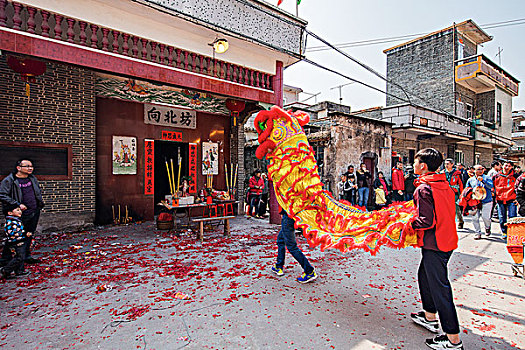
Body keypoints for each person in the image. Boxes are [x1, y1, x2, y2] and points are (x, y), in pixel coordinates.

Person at [409, 148, 463, 350]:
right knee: (424, 276)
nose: (413, 166)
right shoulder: (443, 185)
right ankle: (430, 316)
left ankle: (453, 340)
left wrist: (406, 224)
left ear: (422, 166)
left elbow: (425, 221)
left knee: (440, 289)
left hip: (435, 243)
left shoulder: (423, 189)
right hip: (446, 241)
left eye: (415, 162)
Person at [0, 159, 44, 265]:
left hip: (33, 211)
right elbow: (2, 194)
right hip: (18, 214)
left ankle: (25, 256)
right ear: (18, 168)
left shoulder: (32, 179)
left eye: (31, 166)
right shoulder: (10, 180)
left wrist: (39, 203)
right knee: (15, 237)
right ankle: (6, 258)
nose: (30, 168)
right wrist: (17, 204)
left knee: (28, 234)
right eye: (27, 166)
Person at [271, 210, 317, 283]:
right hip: (294, 214)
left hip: (289, 215)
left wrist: (282, 212)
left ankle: (309, 271)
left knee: (292, 247)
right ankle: (278, 266)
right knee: (280, 240)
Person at [1, 204, 31, 279]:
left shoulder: (16, 220)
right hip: (16, 242)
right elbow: (13, 233)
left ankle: (19, 271)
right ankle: (6, 270)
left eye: (20, 210)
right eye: (17, 210)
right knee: (19, 257)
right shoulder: (11, 223)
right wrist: (25, 234)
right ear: (10, 213)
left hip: (19, 241)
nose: (20, 211)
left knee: (21, 256)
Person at [466, 165, 494, 240]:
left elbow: (491, 186)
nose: (481, 171)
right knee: (475, 218)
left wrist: (483, 181)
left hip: (486, 200)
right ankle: (477, 232)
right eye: (478, 169)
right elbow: (467, 189)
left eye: (482, 169)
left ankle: (487, 227)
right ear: (474, 170)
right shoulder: (470, 180)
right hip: (474, 201)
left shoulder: (487, 178)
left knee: (486, 217)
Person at [493, 161, 519, 239]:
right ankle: (504, 232)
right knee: (501, 217)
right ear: (502, 166)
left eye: (508, 166)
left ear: (511, 167)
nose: (506, 167)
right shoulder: (496, 176)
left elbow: (519, 188)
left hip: (511, 199)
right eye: (505, 165)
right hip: (500, 199)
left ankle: (512, 232)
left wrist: (517, 198)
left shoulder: (515, 176)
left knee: (512, 217)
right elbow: (493, 187)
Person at [442, 158, 464, 229]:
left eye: (448, 164)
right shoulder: (442, 173)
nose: (446, 165)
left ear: (452, 164)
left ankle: (460, 221)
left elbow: (460, 184)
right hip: (445, 192)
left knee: (456, 208)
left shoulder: (457, 173)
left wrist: (461, 194)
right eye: (445, 164)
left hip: (454, 192)